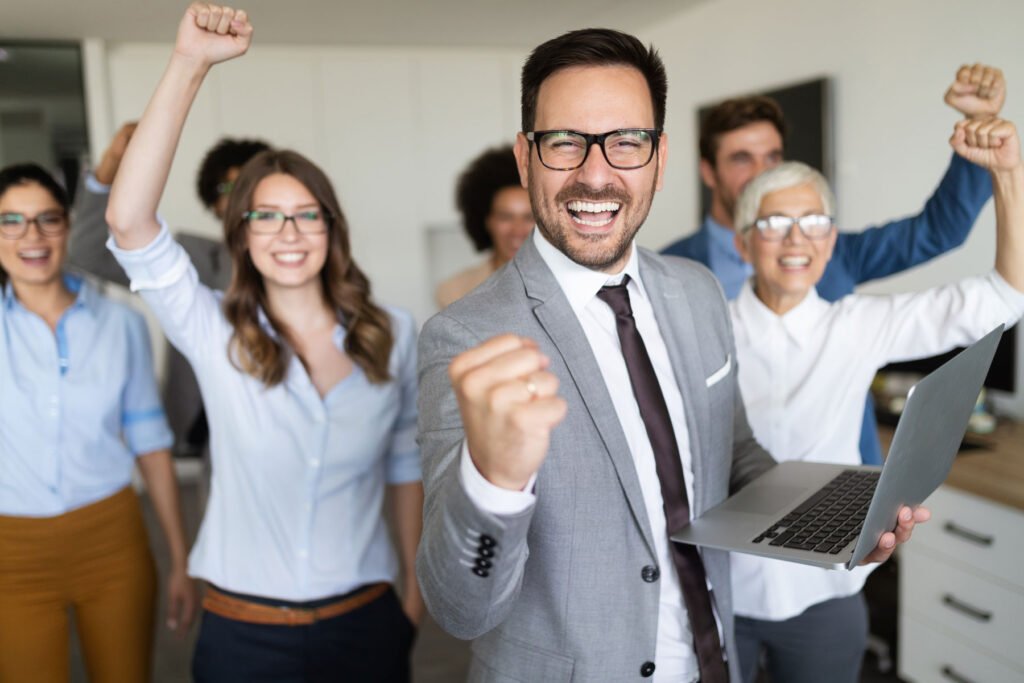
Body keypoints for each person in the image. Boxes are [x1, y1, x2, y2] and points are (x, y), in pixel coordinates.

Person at [415, 27, 925, 682]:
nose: (595, 174)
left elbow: (733, 452)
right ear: (525, 156)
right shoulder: (464, 337)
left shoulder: (698, 290)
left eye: (626, 142)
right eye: (564, 141)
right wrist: (494, 482)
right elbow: (461, 608)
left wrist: (835, 520)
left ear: (659, 159)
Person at [104, 5, 422, 681]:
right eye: (267, 216)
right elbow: (129, 220)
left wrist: (414, 600)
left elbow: (404, 466)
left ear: (332, 228)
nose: (289, 232)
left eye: (307, 214)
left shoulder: (391, 331)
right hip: (244, 635)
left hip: (365, 623)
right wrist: (189, 63)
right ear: (242, 234)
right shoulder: (213, 326)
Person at [726, 115, 1024, 682]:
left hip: (826, 589)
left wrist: (1009, 175)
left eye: (814, 222)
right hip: (718, 587)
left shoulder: (858, 325)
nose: (797, 239)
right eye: (775, 224)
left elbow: (1005, 297)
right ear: (744, 242)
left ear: (832, 239)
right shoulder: (704, 327)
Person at [661, 64, 1005, 467]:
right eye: (741, 159)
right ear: (709, 172)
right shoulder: (670, 271)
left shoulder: (833, 250)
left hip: (837, 485)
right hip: (726, 488)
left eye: (771, 156)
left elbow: (937, 231)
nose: (761, 173)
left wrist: (979, 126)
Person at [0, 163, 196, 682]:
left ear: (68, 226)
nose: (32, 237)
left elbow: (151, 445)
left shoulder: (122, 324)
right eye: (11, 221)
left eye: (47, 219)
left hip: (113, 540)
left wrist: (179, 558)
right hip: (10, 553)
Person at [69, 121, 271, 458]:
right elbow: (89, 251)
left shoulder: (306, 256)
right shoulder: (189, 258)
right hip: (218, 436)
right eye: (227, 189)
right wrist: (109, 167)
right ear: (213, 203)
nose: (239, 198)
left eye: (252, 186)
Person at [436, 145, 533, 308]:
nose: (518, 230)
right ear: (486, 220)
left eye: (529, 217)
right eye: (505, 217)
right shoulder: (455, 291)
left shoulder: (569, 284)